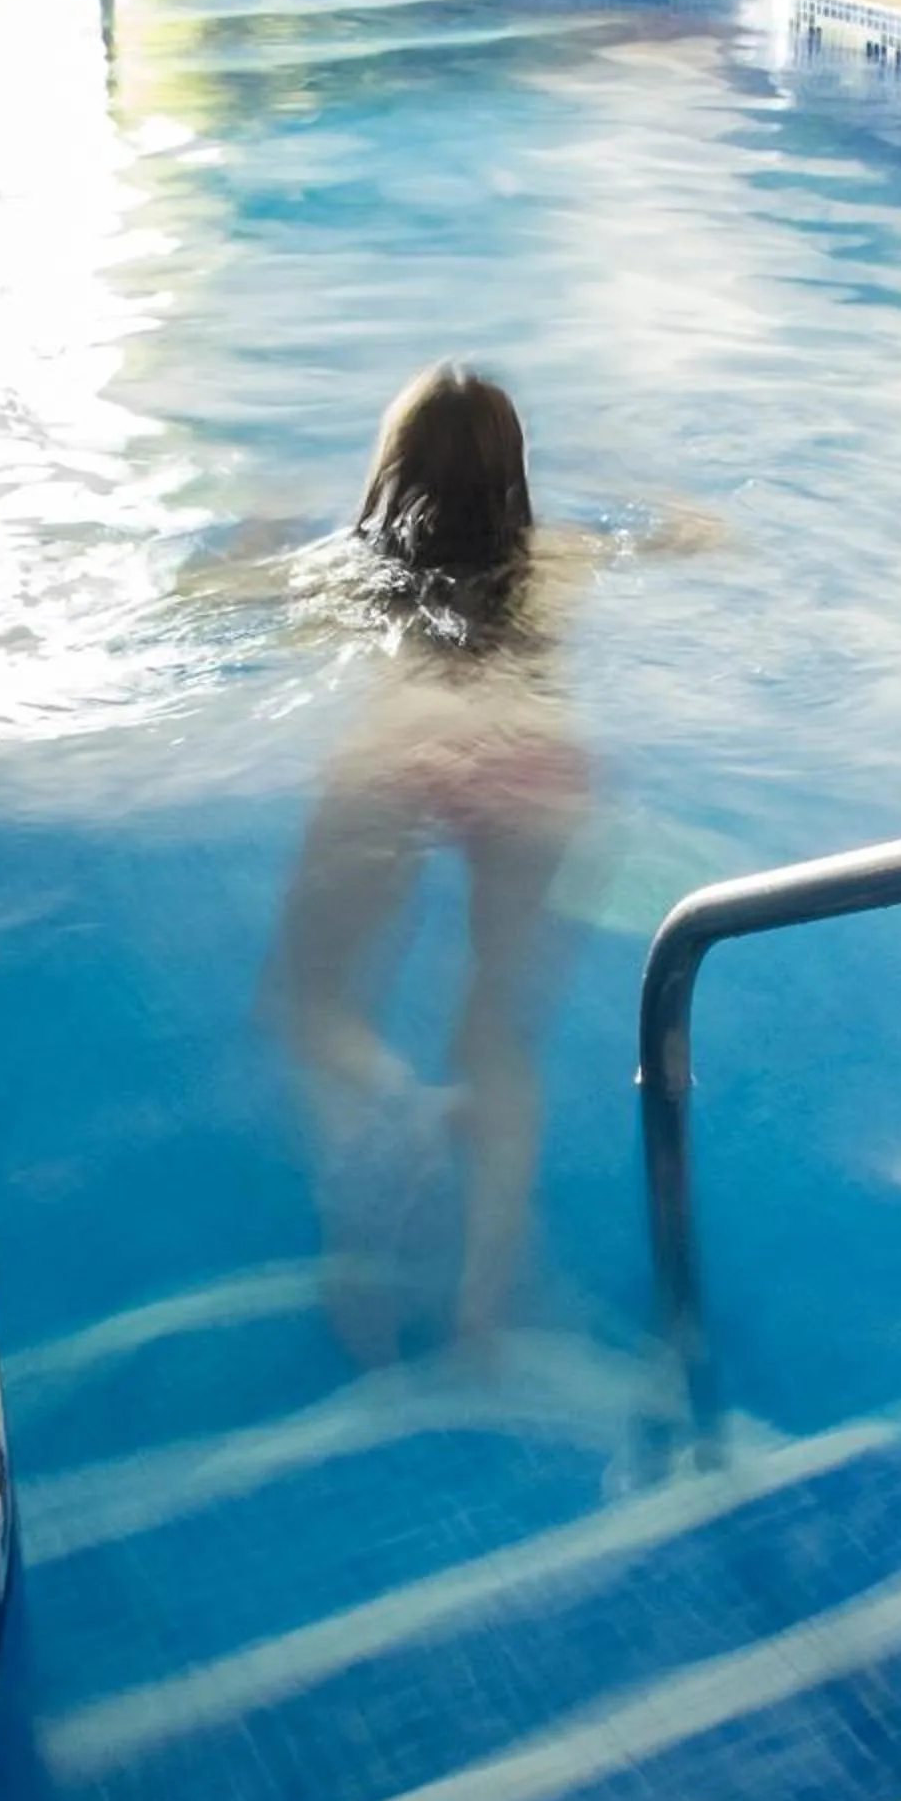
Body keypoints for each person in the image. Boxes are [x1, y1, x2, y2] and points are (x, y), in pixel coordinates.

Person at [266, 364, 594, 1369]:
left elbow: (208, 603)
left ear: (389, 467)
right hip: (534, 756)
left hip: (406, 746)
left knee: (309, 1001)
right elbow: (699, 541)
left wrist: (249, 542)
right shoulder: (565, 560)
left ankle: (398, 1106)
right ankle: (481, 1315)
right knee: (500, 1036)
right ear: (515, 474)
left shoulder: (334, 572)